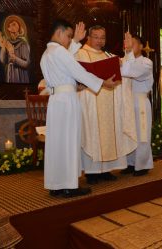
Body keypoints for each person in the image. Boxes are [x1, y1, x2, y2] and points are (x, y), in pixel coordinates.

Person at [40, 20, 118, 198]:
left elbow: (64, 75)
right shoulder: (59, 51)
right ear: (59, 33)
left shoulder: (47, 53)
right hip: (67, 102)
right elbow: (77, 71)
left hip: (56, 100)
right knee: (69, 141)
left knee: (57, 144)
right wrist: (103, 83)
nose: (69, 40)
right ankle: (69, 185)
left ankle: (56, 184)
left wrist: (77, 86)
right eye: (68, 36)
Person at [75, 25, 137, 184]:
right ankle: (92, 172)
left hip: (109, 101)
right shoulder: (80, 53)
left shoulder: (108, 55)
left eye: (102, 37)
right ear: (88, 37)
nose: (99, 40)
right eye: (96, 37)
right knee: (92, 134)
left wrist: (129, 51)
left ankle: (106, 170)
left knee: (110, 133)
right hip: (90, 100)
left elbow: (127, 68)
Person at [120, 33, 153, 176]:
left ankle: (143, 164)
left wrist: (128, 54)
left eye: (132, 43)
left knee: (141, 134)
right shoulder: (124, 59)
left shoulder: (146, 62)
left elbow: (128, 71)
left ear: (140, 46)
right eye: (127, 43)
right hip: (127, 101)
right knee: (129, 133)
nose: (128, 45)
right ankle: (130, 163)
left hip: (140, 102)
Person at [0, 15, 30, 83]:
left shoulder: (23, 43)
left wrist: (14, 58)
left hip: (21, 75)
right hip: (10, 74)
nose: (11, 27)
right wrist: (3, 46)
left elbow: (26, 63)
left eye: (14, 24)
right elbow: (3, 61)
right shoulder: (7, 42)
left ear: (19, 26)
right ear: (8, 29)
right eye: (9, 26)